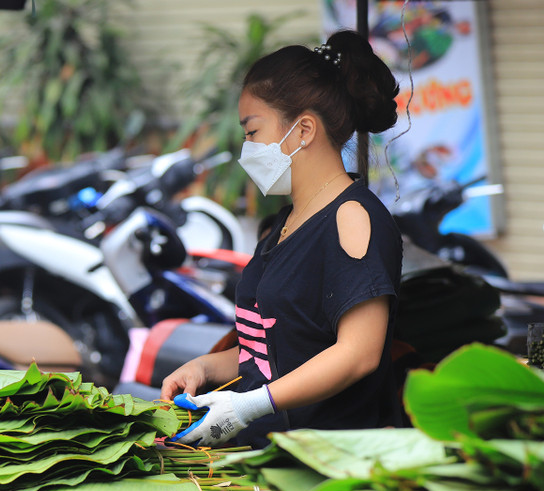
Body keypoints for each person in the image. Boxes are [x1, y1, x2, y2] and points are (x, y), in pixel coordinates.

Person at [161, 30, 403, 450]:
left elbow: (358, 353)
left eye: (252, 132)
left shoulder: (352, 216)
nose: (246, 148)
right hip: (259, 455)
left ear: (304, 129)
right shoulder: (284, 223)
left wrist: (250, 405)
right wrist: (204, 368)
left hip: (320, 460)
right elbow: (275, 348)